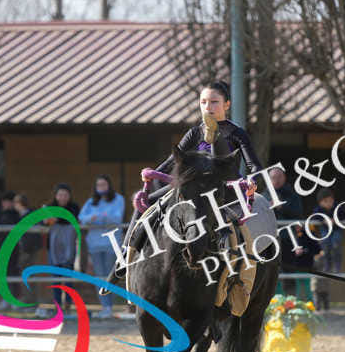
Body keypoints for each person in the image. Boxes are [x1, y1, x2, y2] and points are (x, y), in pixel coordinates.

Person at [102, 81, 265, 292]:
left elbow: (254, 166)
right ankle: (124, 258)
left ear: (227, 104)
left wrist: (252, 180)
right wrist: (152, 173)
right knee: (146, 203)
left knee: (226, 225)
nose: (208, 107)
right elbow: (173, 161)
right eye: (203, 102)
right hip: (193, 189)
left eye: (214, 102)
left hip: (224, 191)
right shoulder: (194, 132)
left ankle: (233, 276)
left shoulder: (237, 133)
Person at [79, 175, 125, 318]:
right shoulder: (91, 202)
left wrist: (97, 217)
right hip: (94, 244)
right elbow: (82, 218)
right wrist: (97, 217)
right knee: (99, 276)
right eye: (99, 185)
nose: (101, 188)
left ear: (109, 185)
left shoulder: (118, 199)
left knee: (110, 275)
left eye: (104, 184)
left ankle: (110, 306)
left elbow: (116, 218)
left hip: (111, 243)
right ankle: (105, 307)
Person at [44, 183, 80, 314]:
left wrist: (55, 218)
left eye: (65, 195)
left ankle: (68, 303)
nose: (63, 197)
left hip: (69, 246)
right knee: (56, 277)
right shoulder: (49, 206)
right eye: (60, 194)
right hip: (53, 247)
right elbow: (44, 221)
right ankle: (57, 303)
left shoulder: (74, 207)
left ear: (69, 196)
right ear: (56, 196)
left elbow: (71, 218)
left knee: (68, 276)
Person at [309, 188, 342, 310]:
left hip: (336, 231)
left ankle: (336, 266)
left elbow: (344, 214)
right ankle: (328, 266)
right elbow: (315, 217)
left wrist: (335, 220)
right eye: (325, 201)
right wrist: (324, 220)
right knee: (326, 246)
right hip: (325, 233)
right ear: (320, 203)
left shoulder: (337, 207)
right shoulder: (318, 210)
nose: (328, 204)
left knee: (336, 245)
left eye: (330, 201)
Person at [0, 192, 21, 311]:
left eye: (9, 202)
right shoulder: (0, 215)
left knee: (14, 272)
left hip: (14, 248)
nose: (6, 204)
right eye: (4, 201)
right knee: (3, 273)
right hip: (2, 248)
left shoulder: (16, 215)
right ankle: (5, 299)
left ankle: (15, 299)